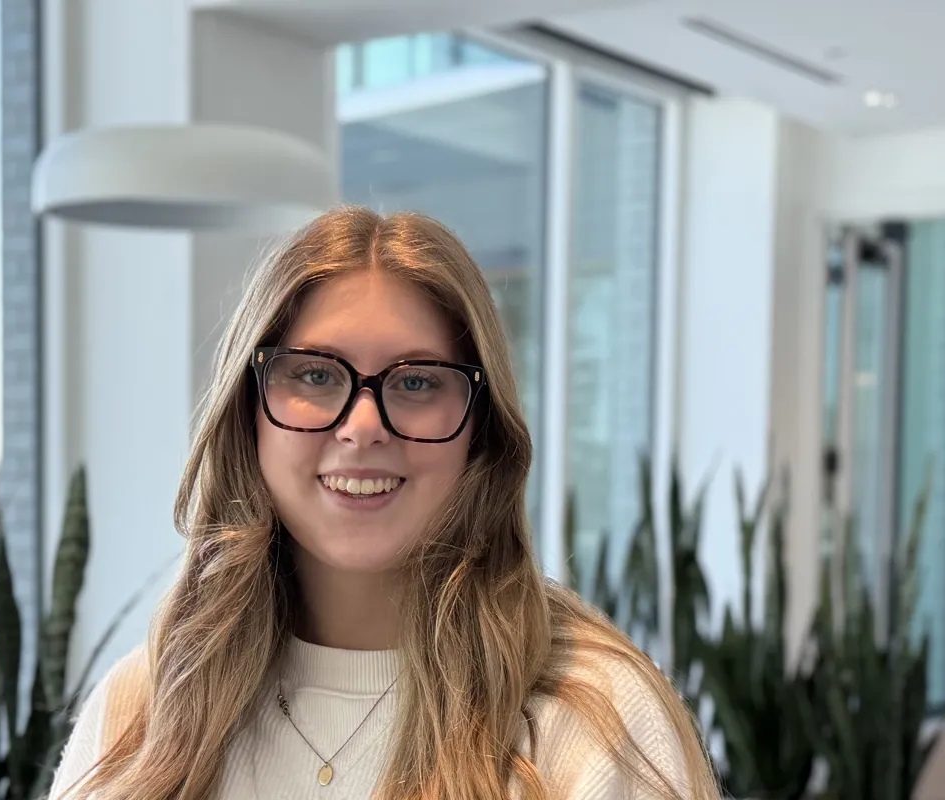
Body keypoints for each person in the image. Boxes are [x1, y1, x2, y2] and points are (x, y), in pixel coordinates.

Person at [47, 206, 718, 799]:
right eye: (314, 374)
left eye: (418, 381)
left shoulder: (591, 716)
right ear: (247, 411)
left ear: (481, 428)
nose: (362, 426)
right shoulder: (142, 710)